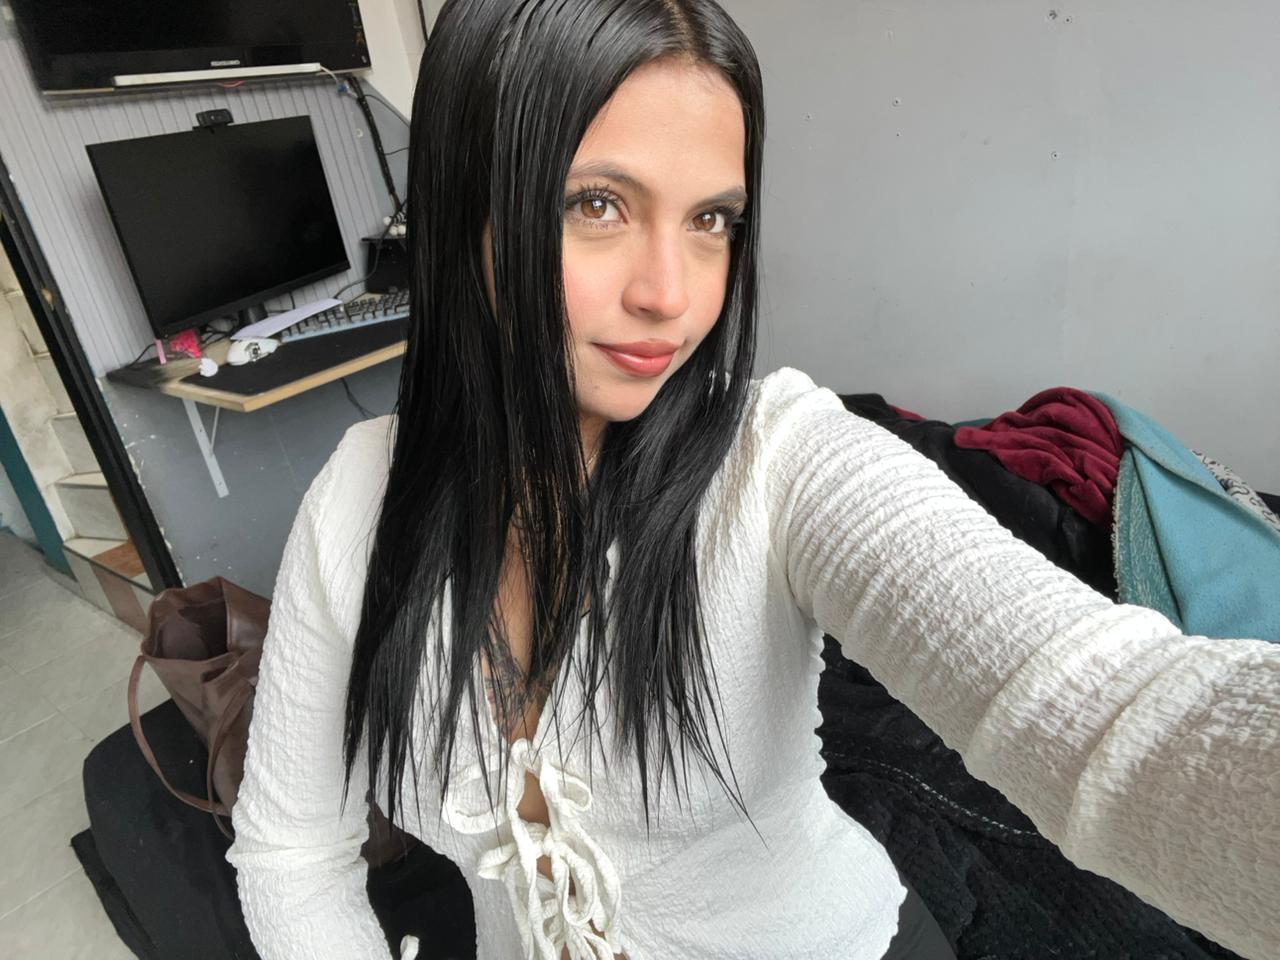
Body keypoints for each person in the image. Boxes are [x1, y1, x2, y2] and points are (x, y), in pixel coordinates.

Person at [224, 1, 1280, 958]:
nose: (671, 295)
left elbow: (1112, 717)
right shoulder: (356, 501)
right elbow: (291, 855)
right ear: (466, 208)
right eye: (597, 204)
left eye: (710, 220)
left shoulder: (779, 460)